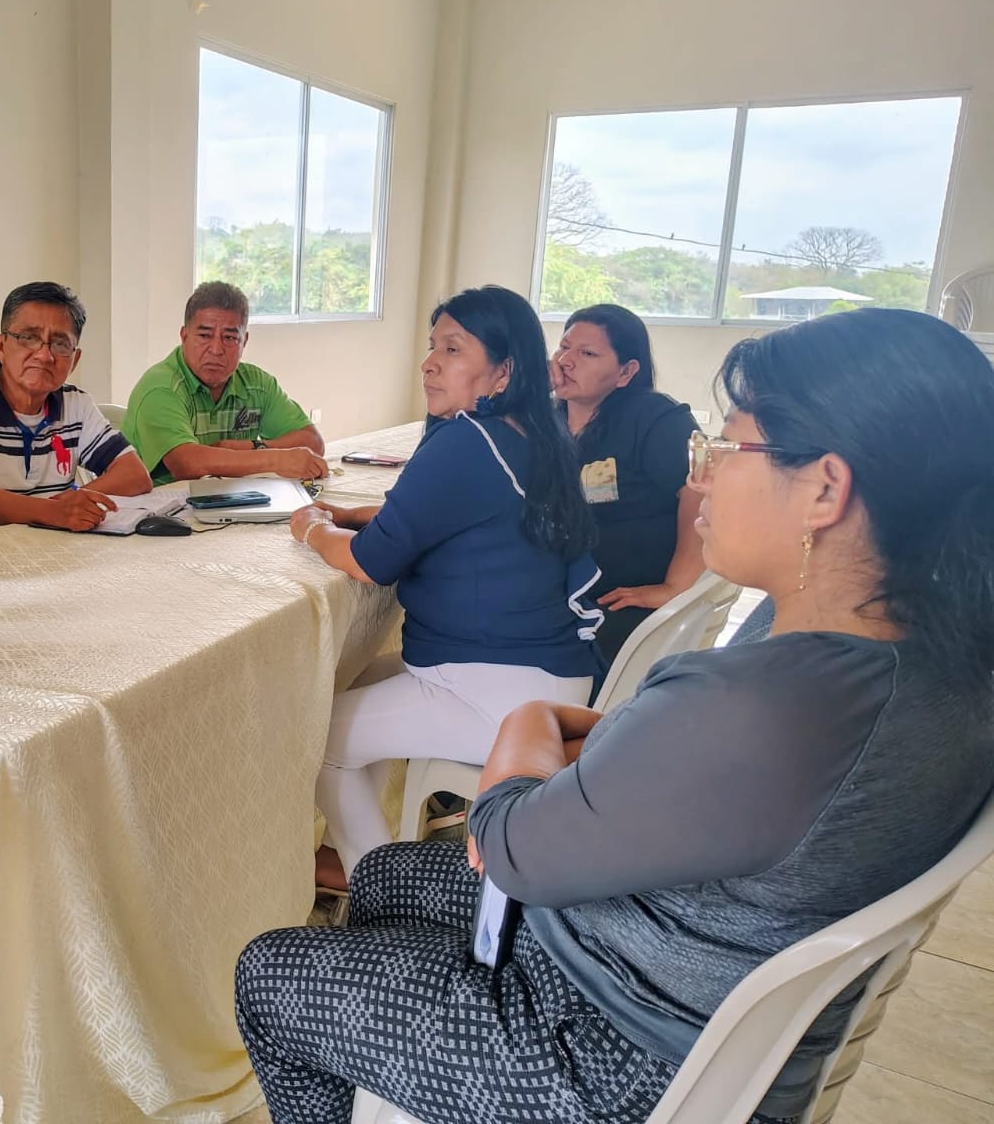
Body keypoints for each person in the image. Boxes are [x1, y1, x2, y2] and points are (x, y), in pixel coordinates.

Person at [236, 307, 994, 1124]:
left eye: (724, 450)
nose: (700, 480)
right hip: (679, 977)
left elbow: (507, 847)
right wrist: (608, 735)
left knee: (270, 971)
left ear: (824, 488)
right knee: (387, 874)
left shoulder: (761, 705)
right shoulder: (922, 658)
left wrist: (528, 723)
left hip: (613, 1052)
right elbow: (713, 774)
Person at [288, 286, 602, 886]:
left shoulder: (467, 441)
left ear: (504, 371)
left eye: (453, 349)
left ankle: (382, 888)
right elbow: (448, 516)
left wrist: (312, 528)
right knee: (358, 680)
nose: (430, 363)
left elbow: (369, 563)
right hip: (543, 676)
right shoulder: (530, 433)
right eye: (433, 346)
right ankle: (354, 848)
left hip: (497, 691)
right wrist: (360, 517)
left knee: (317, 736)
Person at [0, 281, 152, 530]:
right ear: (1, 346)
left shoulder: (75, 403)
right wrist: (56, 512)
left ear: (75, 359)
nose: (44, 355)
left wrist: (70, 504)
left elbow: (135, 475)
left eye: (60, 344)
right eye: (29, 338)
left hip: (52, 542)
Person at [551, 304, 703, 660]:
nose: (566, 361)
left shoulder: (656, 419)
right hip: (554, 592)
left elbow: (700, 491)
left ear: (626, 372)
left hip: (620, 600)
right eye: (563, 347)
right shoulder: (543, 421)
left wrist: (675, 587)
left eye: (587, 354)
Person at [122, 281, 328, 485]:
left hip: (232, 498)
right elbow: (186, 463)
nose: (216, 349)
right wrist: (275, 460)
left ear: (244, 341)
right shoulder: (161, 387)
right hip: (164, 504)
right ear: (184, 336)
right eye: (204, 335)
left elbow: (313, 443)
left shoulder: (256, 383)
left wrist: (254, 447)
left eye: (229, 338)